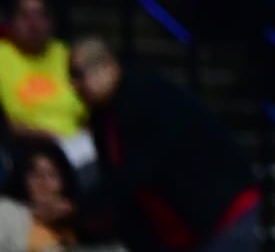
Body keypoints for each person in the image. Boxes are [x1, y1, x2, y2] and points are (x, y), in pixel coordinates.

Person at [65, 39, 258, 252]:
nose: (74, 85)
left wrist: (78, 207)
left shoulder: (146, 96)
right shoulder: (104, 115)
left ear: (108, 66)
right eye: (71, 77)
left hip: (221, 212)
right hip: (183, 226)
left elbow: (137, 171)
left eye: (79, 74)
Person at [0, 0, 86, 149]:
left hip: (74, 145)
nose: (33, 23)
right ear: (10, 22)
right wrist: (47, 138)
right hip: (19, 146)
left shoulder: (70, 56)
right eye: (24, 15)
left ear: (52, 22)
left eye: (41, 15)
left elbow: (89, 110)